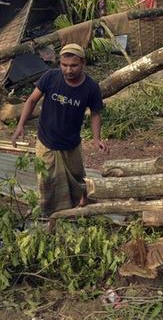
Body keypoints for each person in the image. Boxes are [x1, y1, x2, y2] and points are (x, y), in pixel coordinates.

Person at [11, 43, 108, 216]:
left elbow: (95, 114)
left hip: (71, 142)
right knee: (47, 180)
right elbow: (32, 100)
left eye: (74, 66)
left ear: (83, 63)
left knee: (78, 177)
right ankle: (49, 214)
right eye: (64, 65)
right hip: (46, 140)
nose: (68, 70)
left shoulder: (91, 87)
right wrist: (20, 125)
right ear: (59, 63)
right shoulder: (50, 77)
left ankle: (82, 203)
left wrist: (96, 138)